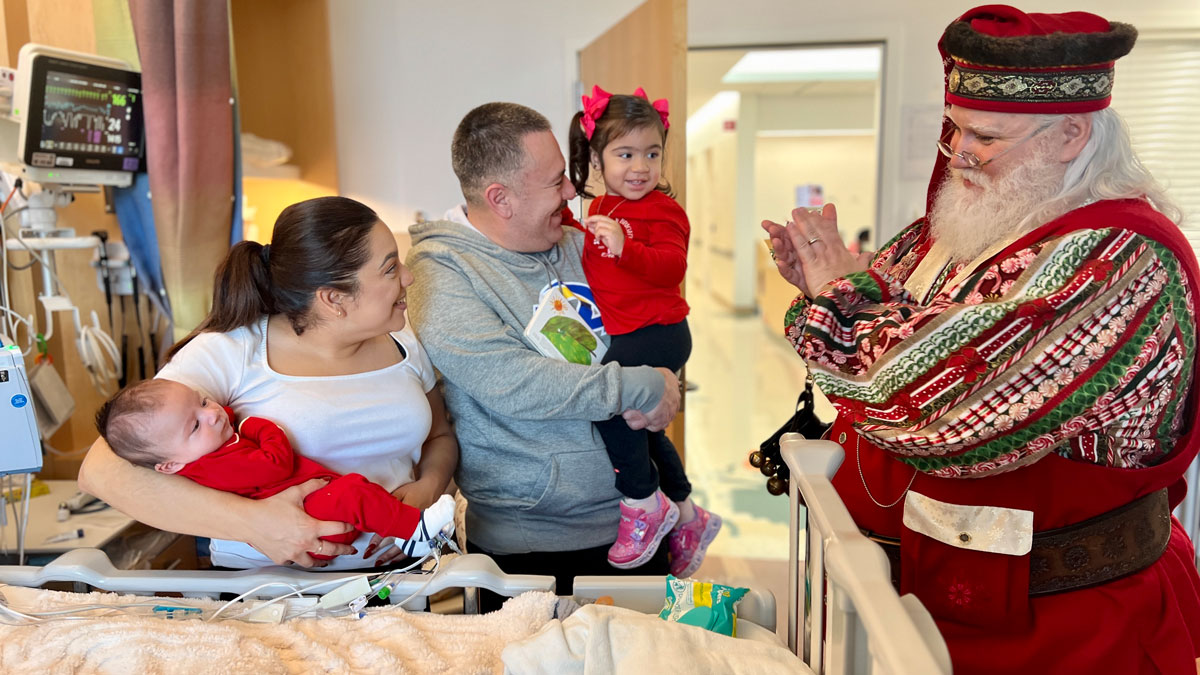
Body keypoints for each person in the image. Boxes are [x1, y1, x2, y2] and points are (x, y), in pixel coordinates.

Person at [763, 6, 1200, 673]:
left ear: (1070, 135)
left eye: (986, 136)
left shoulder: (1122, 259)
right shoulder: (949, 231)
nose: (959, 153)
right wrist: (828, 291)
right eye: (955, 131)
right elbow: (861, 330)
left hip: (1066, 633)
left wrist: (839, 298)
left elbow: (937, 407)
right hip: (943, 612)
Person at [78, 196, 459, 570]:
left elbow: (440, 436)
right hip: (267, 590)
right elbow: (101, 471)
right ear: (333, 298)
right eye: (391, 268)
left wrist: (428, 489)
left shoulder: (403, 340)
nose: (408, 277)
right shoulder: (231, 351)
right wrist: (257, 523)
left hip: (398, 579)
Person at [405, 102, 684, 605]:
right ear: (501, 198)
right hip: (536, 549)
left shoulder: (574, 240)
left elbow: (647, 319)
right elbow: (514, 382)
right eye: (556, 182)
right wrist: (644, 383)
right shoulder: (443, 273)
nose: (572, 192)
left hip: (638, 517)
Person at [564, 85, 721, 574]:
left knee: (607, 402)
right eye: (625, 153)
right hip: (630, 331)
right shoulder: (604, 209)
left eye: (651, 154)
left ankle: (642, 502)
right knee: (645, 427)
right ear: (597, 158)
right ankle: (689, 514)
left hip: (658, 331)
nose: (640, 167)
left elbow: (671, 266)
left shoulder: (662, 210)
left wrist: (626, 248)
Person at [95, 379, 457, 560]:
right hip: (309, 523)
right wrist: (257, 427)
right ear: (171, 464)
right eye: (194, 426)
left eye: (203, 401)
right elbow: (275, 465)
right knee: (351, 495)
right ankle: (414, 529)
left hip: (314, 508)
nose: (213, 413)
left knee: (356, 491)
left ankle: (406, 528)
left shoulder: (213, 448)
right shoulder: (217, 467)